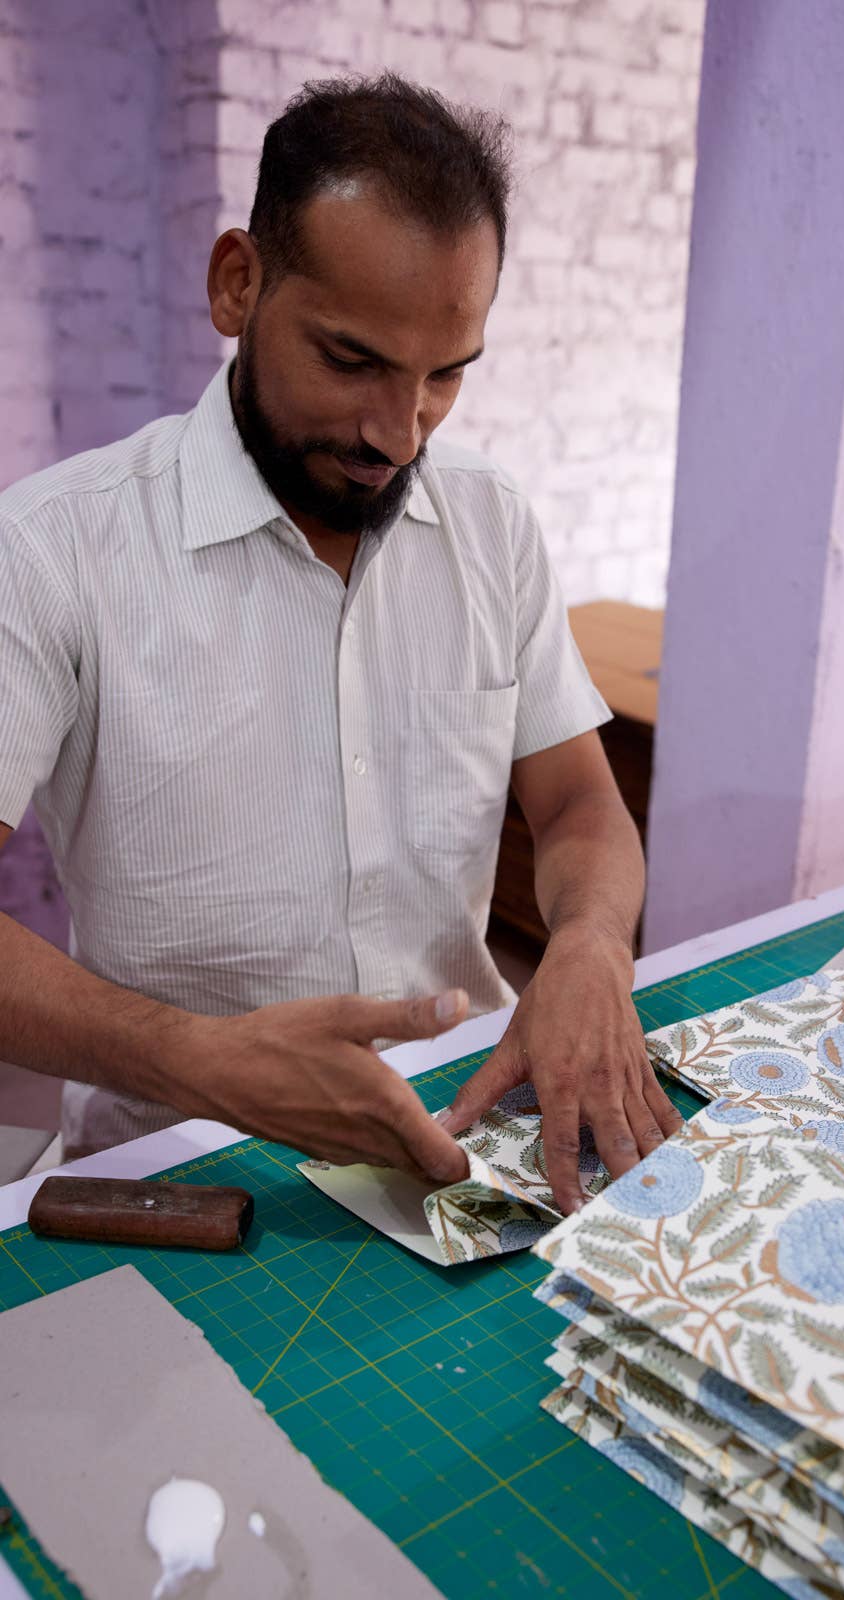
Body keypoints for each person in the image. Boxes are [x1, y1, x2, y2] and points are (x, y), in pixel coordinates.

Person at [0, 75, 681, 1213]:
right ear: (237, 284)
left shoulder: (489, 522)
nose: (397, 431)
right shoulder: (50, 550)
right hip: (183, 1168)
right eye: (353, 360)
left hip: (461, 1139)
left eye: (446, 374)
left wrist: (591, 948)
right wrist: (197, 1060)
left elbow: (573, 808)